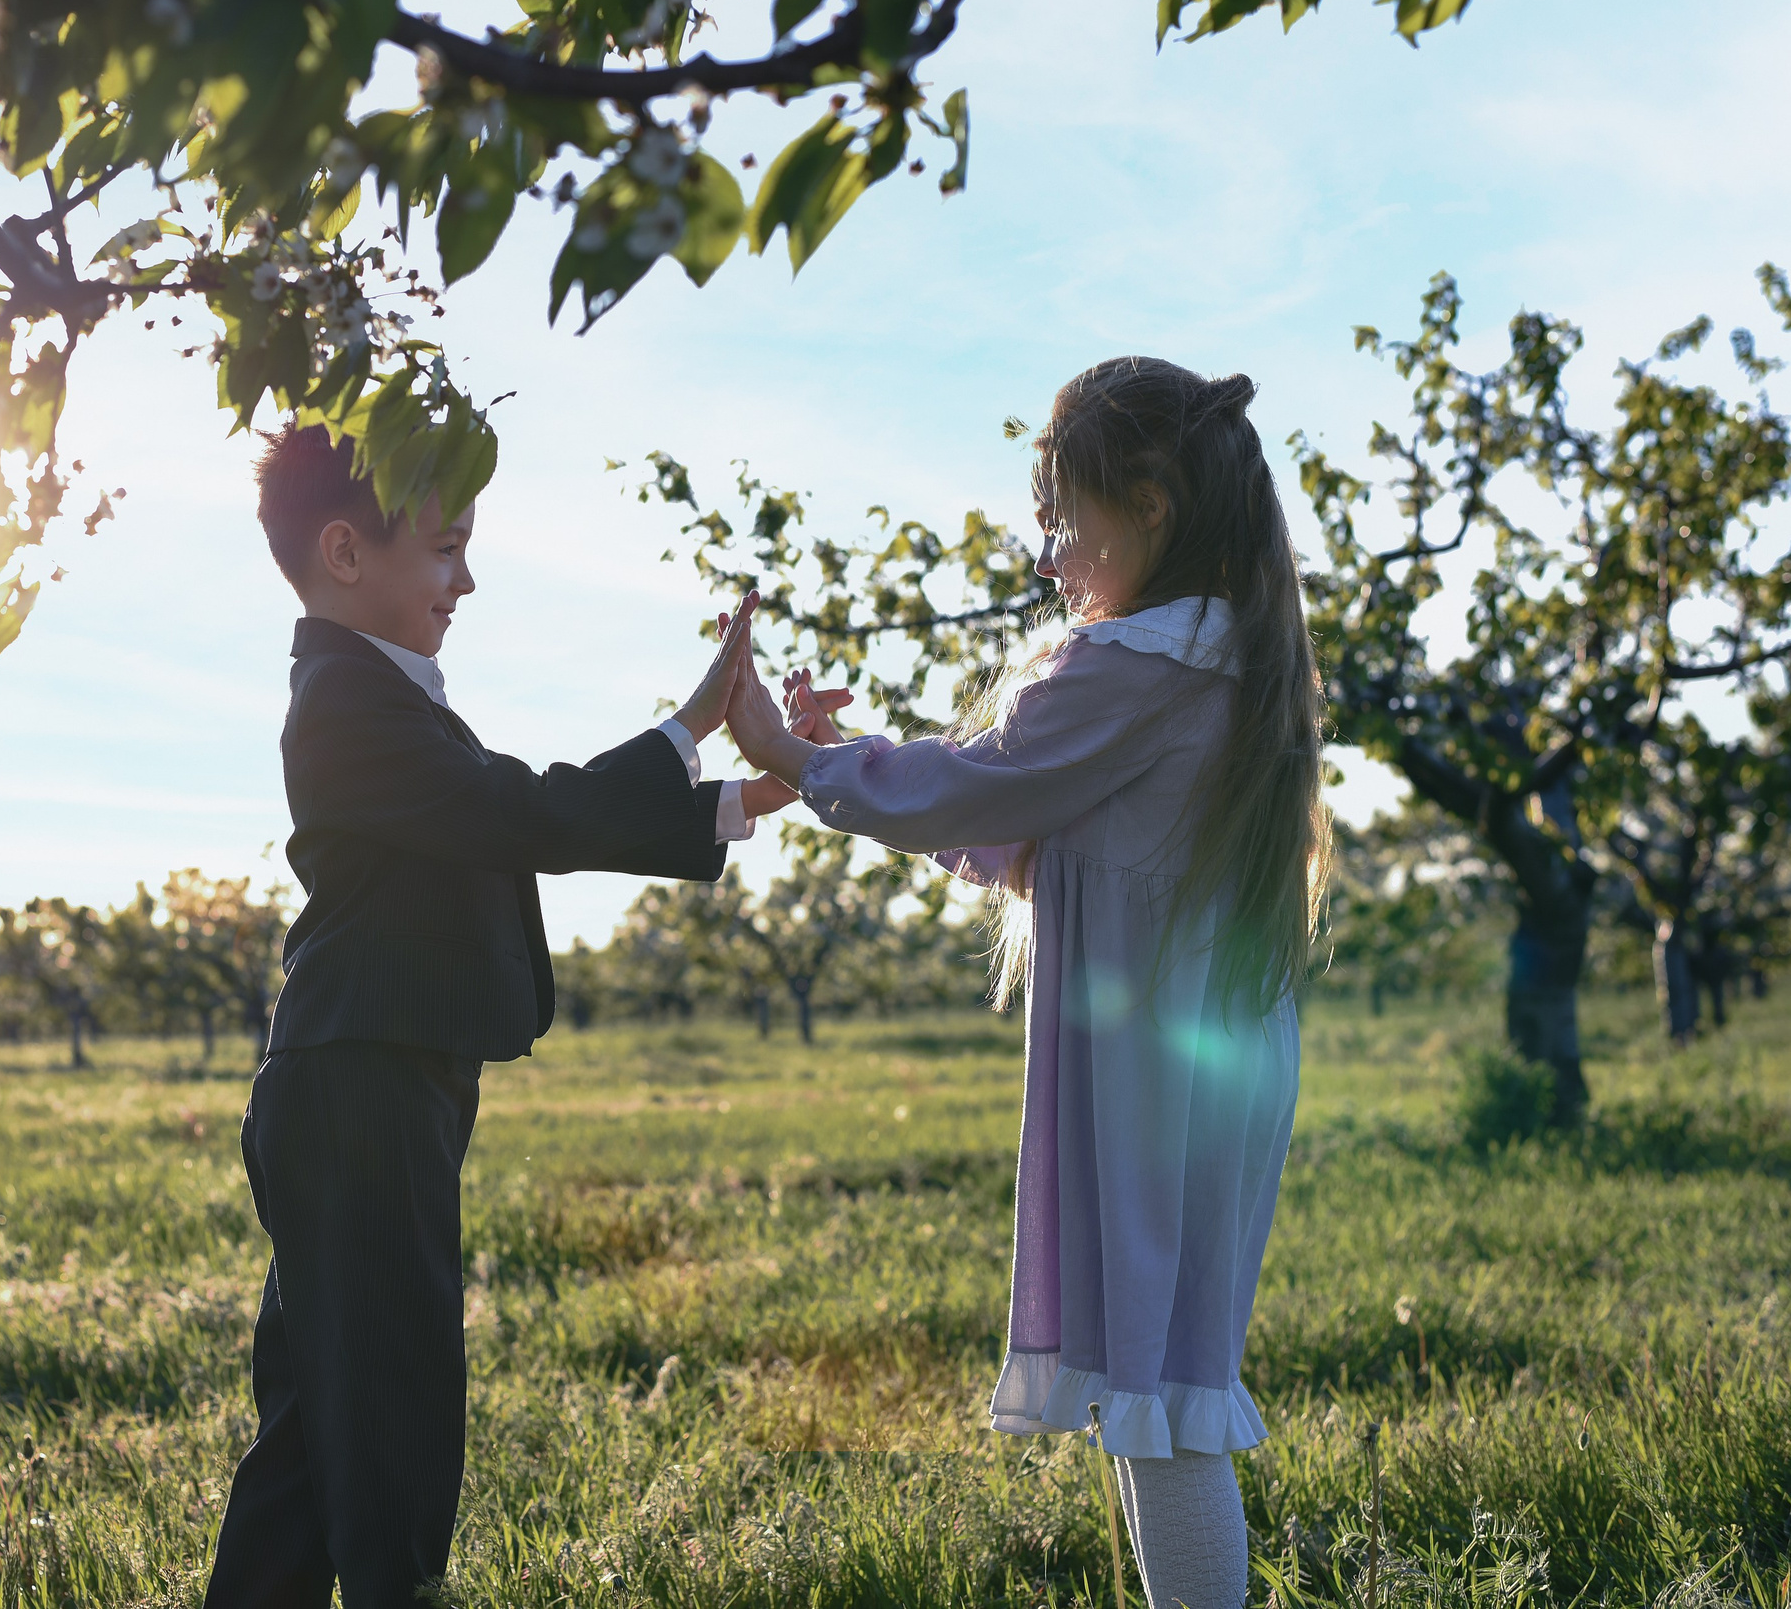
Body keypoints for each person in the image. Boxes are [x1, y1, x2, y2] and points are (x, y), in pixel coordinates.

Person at [722, 358, 1326, 1609]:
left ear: (1150, 506)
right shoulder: (1219, 656)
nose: (1050, 552)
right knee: (1149, 1390)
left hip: (1157, 1065)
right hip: (1195, 1048)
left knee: (1163, 1401)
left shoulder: (1147, 661)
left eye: (1066, 517)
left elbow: (986, 786)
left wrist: (791, 755)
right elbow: (1016, 811)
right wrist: (843, 763)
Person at [206, 426, 793, 1609]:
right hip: (358, 1087)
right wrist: (687, 731)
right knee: (393, 1418)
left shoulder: (374, 692)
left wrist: (748, 791)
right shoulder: (344, 702)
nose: (465, 583)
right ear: (343, 550)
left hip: (363, 1080)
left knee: (323, 1427)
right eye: (446, 550)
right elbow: (521, 815)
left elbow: (501, 819)